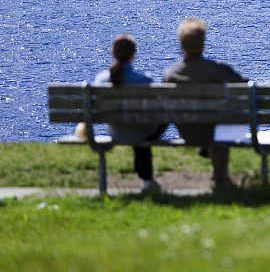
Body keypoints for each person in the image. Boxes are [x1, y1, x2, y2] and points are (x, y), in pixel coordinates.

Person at [162, 18, 246, 190]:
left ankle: (214, 166)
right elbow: (245, 85)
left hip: (187, 131)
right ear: (203, 44)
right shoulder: (216, 69)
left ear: (181, 45)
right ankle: (221, 177)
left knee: (208, 119)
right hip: (215, 131)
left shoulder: (170, 74)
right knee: (222, 118)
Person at [92, 34, 163, 192]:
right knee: (155, 120)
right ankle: (148, 180)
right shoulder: (145, 81)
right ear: (133, 54)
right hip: (142, 131)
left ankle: (147, 179)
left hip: (116, 131)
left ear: (113, 53)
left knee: (133, 123)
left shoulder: (101, 80)